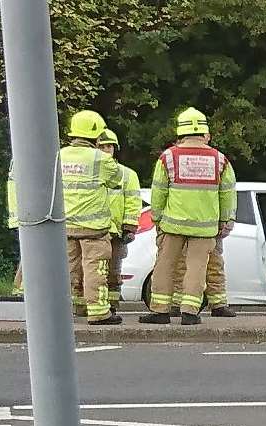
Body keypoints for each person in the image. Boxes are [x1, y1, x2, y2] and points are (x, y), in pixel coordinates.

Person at [139, 107, 236, 325]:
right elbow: (227, 194)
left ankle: (160, 311)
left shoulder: (168, 157)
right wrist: (224, 221)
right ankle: (190, 312)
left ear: (180, 132)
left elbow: (159, 191)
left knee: (164, 266)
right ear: (204, 132)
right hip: (204, 227)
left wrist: (157, 218)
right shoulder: (220, 160)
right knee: (197, 267)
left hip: (172, 224)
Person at [61, 110, 123, 325]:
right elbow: (116, 179)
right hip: (93, 228)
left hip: (65, 226)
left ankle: (71, 308)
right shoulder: (101, 159)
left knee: (70, 268)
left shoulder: (58, 155)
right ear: (96, 135)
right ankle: (98, 312)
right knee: (96, 269)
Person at [97, 129, 142, 315]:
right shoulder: (90, 171)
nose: (106, 150)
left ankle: (113, 305)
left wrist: (129, 227)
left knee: (113, 273)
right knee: (90, 271)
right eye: (102, 146)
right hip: (94, 230)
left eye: (110, 146)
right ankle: (89, 306)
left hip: (116, 233)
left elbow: (133, 201)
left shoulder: (127, 174)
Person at [170, 220, 237, 318]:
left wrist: (227, 223)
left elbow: (228, 206)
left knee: (214, 265)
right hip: (195, 226)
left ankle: (218, 304)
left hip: (209, 227)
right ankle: (178, 304)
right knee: (183, 266)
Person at [7, 159, 23, 298]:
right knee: (32, 254)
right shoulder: (31, 154)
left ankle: (20, 288)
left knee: (28, 253)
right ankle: (21, 288)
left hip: (23, 215)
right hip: (29, 217)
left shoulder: (22, 153)